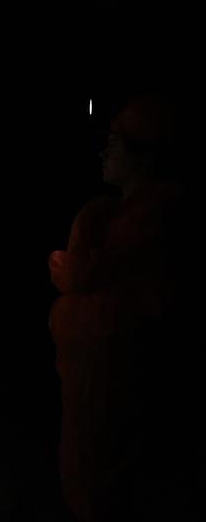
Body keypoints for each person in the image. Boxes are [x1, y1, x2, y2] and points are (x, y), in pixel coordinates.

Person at [47, 94, 188, 521]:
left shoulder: (153, 218)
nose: (104, 153)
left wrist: (69, 263)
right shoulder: (118, 214)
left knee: (107, 481)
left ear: (144, 154)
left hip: (115, 383)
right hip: (99, 383)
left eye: (115, 144)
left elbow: (82, 274)